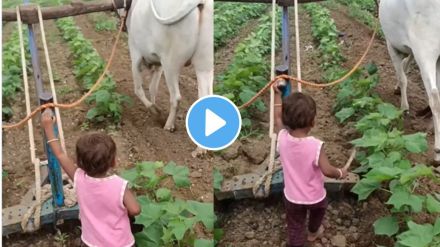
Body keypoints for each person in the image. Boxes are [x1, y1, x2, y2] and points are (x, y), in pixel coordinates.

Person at [41, 109, 141, 247]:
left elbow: (60, 154)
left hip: (92, 243)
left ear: (80, 162)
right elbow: (135, 209)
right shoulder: (120, 185)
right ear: (113, 162)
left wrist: (48, 127)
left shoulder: (79, 178)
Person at [273, 85, 348, 247]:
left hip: (292, 198)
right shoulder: (315, 145)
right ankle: (313, 233)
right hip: (315, 197)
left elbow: (277, 118)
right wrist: (341, 173)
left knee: (295, 225)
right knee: (317, 215)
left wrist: (277, 94)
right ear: (312, 122)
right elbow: (328, 170)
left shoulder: (282, 139)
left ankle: (297, 243)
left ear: (286, 121)